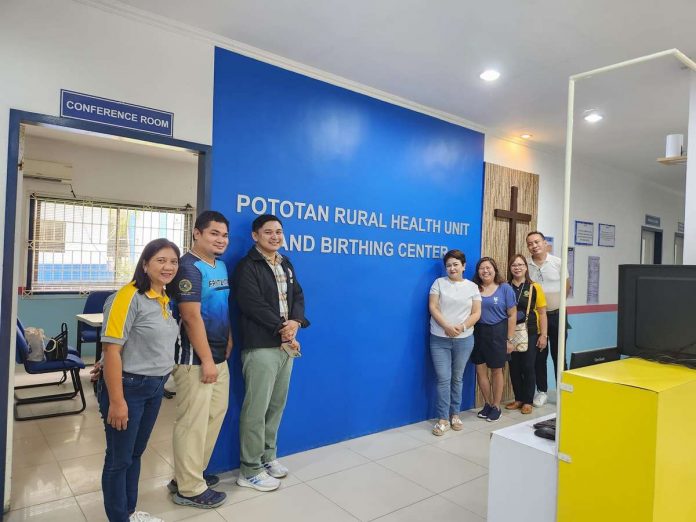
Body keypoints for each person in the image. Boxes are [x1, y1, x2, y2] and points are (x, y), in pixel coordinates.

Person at [98, 238, 181, 522]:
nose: (168, 266)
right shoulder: (127, 296)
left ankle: (129, 513)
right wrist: (117, 401)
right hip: (128, 388)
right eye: (160, 260)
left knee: (135, 453)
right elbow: (111, 350)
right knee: (119, 459)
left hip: (154, 387)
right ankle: (118, 518)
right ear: (145, 264)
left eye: (173, 261)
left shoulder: (164, 299)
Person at [234, 214, 308, 492]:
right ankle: (249, 469)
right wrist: (282, 327)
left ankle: (268, 457)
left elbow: (298, 296)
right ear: (255, 236)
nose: (275, 236)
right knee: (257, 409)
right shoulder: (247, 267)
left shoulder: (285, 263)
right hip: (261, 346)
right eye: (268, 232)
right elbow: (250, 303)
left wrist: (296, 322)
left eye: (279, 231)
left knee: (276, 406)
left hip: (285, 347)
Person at [169, 211, 232, 509]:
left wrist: (228, 338)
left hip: (218, 355)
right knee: (191, 422)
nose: (221, 240)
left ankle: (188, 475)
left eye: (224, 235)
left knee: (213, 416)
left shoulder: (219, 265)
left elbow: (222, 307)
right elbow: (191, 317)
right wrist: (207, 360)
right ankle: (189, 488)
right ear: (197, 233)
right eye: (214, 233)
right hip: (194, 359)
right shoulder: (188, 268)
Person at [428, 249, 481, 435]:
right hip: (439, 339)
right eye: (449, 265)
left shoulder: (472, 287)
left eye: (455, 264)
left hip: (464, 339)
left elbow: (476, 313)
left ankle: (455, 414)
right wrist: (447, 326)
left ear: (464, 266)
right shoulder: (438, 283)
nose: (452, 268)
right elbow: (433, 307)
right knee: (444, 378)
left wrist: (463, 327)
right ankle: (442, 418)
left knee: (457, 378)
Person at [525, 231, 571, 407]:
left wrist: (556, 306)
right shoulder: (527, 265)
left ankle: (563, 391)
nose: (534, 245)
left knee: (559, 355)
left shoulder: (558, 262)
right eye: (530, 243)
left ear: (545, 243)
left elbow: (566, 287)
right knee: (539, 356)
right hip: (537, 318)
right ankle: (542, 391)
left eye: (537, 242)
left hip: (557, 314)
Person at [471, 257, 516, 422]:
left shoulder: (505, 288)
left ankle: (497, 406)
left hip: (498, 333)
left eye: (488, 268)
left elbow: (512, 315)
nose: (485, 271)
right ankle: (488, 404)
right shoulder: (474, 288)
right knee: (480, 370)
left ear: (495, 270)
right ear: (478, 272)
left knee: (497, 370)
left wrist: (509, 339)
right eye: (481, 268)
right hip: (478, 332)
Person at [506, 254, 548, 414]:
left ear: (526, 267)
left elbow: (542, 313)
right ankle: (518, 399)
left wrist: (543, 335)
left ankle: (528, 401)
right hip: (509, 332)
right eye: (514, 265)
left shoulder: (534, 287)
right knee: (514, 366)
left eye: (520, 264)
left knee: (528, 365)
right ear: (510, 268)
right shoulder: (505, 287)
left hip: (530, 332)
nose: (517, 268)